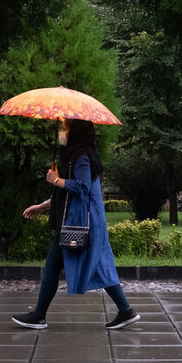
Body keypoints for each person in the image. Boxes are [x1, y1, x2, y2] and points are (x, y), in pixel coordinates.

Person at [12, 117, 140, 330]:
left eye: (65, 127)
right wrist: (42, 206)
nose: (61, 131)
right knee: (87, 265)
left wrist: (56, 180)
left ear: (76, 131)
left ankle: (39, 315)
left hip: (79, 223)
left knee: (88, 265)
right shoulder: (75, 155)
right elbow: (66, 195)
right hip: (79, 220)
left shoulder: (81, 156)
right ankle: (125, 311)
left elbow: (82, 188)